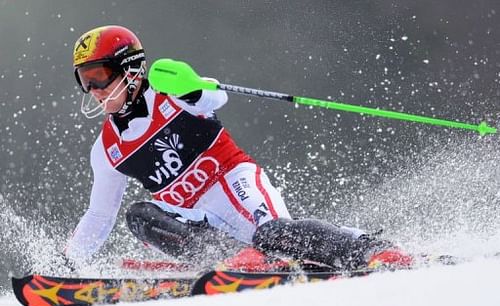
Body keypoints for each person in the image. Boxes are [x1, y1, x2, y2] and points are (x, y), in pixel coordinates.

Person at [65, 25, 412, 271]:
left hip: (233, 185)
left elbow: (215, 97)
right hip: (195, 220)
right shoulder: (107, 149)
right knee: (138, 215)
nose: (92, 89)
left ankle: (368, 248)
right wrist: (66, 264)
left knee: (274, 233)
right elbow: (99, 216)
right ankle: (236, 259)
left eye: (99, 76)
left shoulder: (167, 93)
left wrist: (191, 85)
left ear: (131, 71)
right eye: (84, 79)